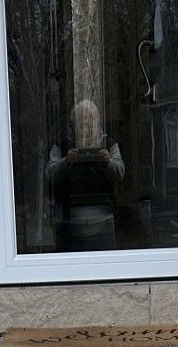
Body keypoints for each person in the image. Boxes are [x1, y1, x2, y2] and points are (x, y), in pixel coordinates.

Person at [45, 98, 126, 251]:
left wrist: (107, 163)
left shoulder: (109, 143)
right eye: (81, 120)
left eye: (90, 119)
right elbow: (50, 173)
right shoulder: (61, 144)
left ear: (97, 121)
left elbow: (120, 172)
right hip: (68, 224)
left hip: (104, 221)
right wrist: (66, 162)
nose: (86, 124)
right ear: (73, 123)